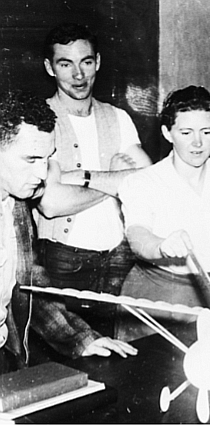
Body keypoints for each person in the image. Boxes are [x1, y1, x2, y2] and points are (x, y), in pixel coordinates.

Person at [0, 90, 137, 374]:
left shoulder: (16, 205)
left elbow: (28, 285)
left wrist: (79, 339)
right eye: (31, 159)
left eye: (47, 159)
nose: (42, 174)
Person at [33, 23, 152, 337]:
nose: (78, 75)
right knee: (72, 355)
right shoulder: (39, 121)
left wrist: (81, 178)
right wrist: (116, 181)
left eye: (85, 62)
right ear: (49, 67)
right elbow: (51, 203)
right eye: (65, 64)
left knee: (120, 357)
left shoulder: (118, 117)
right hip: (63, 262)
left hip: (119, 259)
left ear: (97, 61)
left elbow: (149, 183)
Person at [115, 86, 210, 341]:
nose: (197, 142)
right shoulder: (143, 182)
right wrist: (162, 245)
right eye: (186, 132)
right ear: (167, 133)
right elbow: (137, 236)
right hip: (159, 302)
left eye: (206, 132)